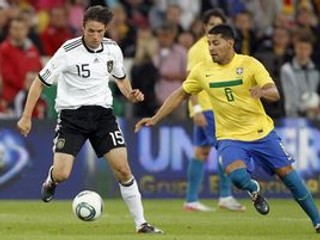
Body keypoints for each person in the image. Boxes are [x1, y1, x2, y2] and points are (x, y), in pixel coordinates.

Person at [135, 24, 320, 233]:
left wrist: (261, 91)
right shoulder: (202, 70)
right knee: (238, 178)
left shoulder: (249, 64)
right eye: (208, 44)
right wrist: (155, 118)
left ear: (230, 43)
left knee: (288, 175)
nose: (211, 48)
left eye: (216, 43)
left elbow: (274, 92)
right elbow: (180, 94)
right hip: (229, 137)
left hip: (261, 133)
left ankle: (317, 221)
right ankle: (254, 189)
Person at [16, 5, 162, 234]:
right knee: (63, 173)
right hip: (72, 116)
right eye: (91, 31)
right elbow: (39, 82)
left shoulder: (113, 49)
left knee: (123, 169)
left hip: (103, 115)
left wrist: (130, 93)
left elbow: (120, 79)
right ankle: (51, 181)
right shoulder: (68, 51)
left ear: (106, 30)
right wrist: (26, 117)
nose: (95, 36)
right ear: (83, 27)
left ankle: (141, 223)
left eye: (100, 31)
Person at [184, 8, 245, 212]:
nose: (213, 29)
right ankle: (225, 195)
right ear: (204, 26)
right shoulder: (198, 49)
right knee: (225, 148)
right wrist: (197, 108)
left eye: (218, 25)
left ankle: (191, 199)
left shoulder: (217, 48)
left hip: (215, 107)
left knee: (201, 152)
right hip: (208, 108)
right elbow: (190, 80)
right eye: (211, 25)